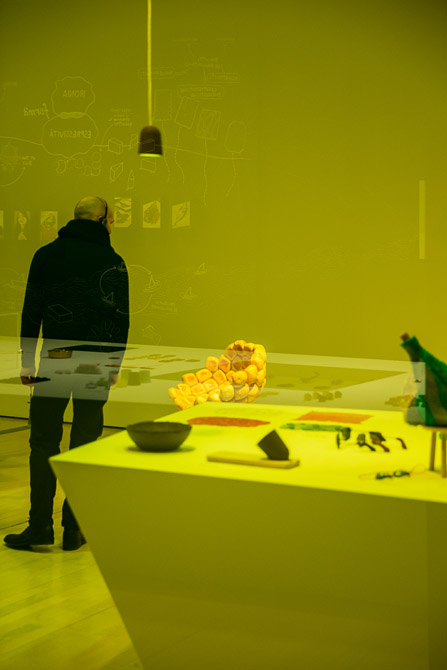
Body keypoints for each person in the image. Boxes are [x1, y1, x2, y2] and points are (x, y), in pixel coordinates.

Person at [4, 197, 129, 551]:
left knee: (44, 440)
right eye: (112, 221)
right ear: (101, 220)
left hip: (56, 356)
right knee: (85, 442)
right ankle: (75, 529)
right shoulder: (113, 261)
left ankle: (40, 526)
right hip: (96, 361)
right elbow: (121, 318)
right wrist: (114, 364)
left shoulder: (46, 255)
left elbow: (31, 311)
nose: (112, 228)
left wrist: (28, 361)